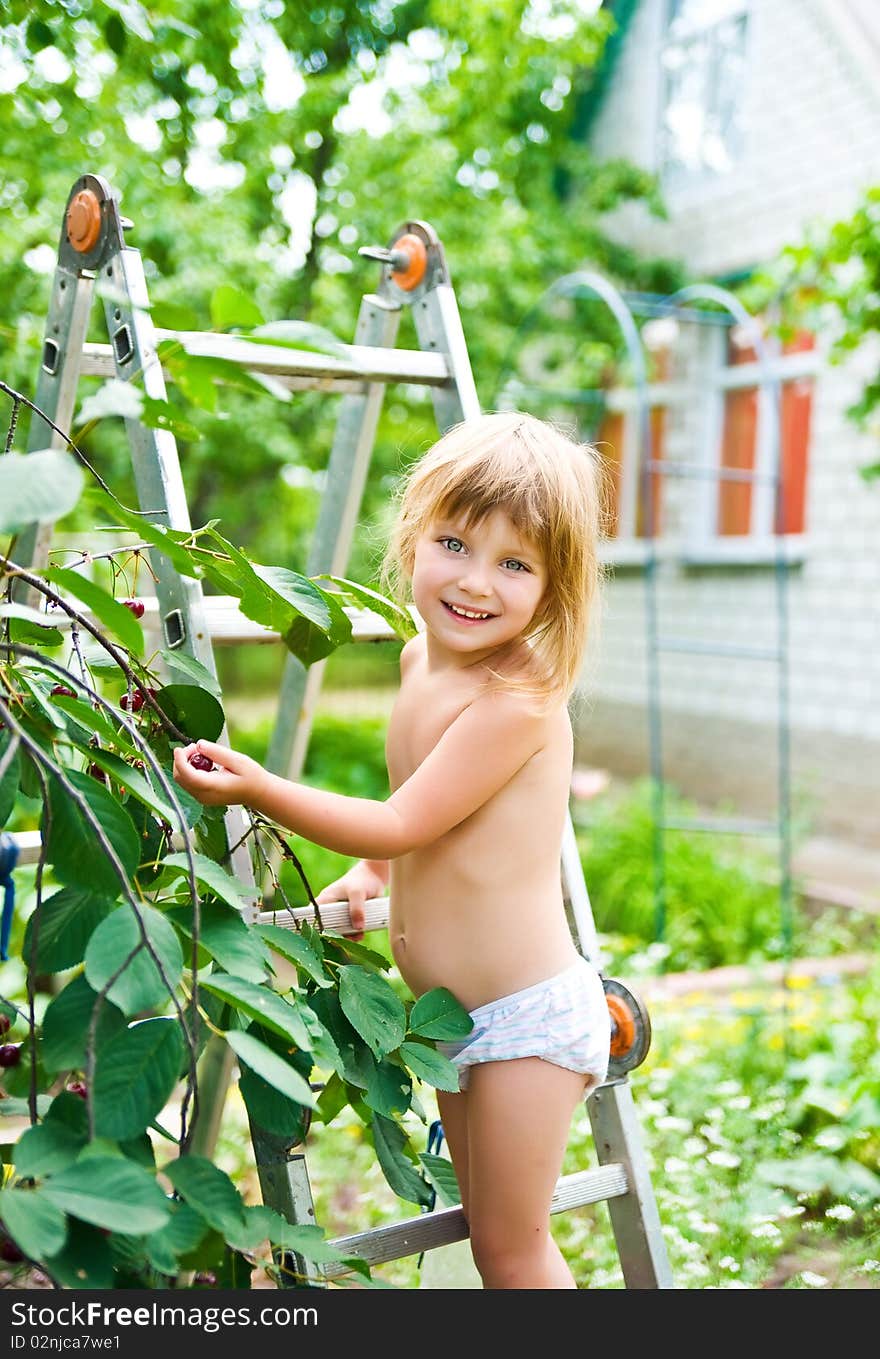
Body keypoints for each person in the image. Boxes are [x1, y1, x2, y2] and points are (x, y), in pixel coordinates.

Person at [173, 411, 612, 1289]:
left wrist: (261, 787)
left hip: (525, 1017)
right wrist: (375, 877)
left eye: (515, 563)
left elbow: (402, 822)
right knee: (489, 1243)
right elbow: (419, 803)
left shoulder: (517, 702)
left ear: (554, 586)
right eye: (455, 543)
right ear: (414, 536)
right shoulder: (421, 660)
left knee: (517, 1247)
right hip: (448, 1018)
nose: (475, 582)